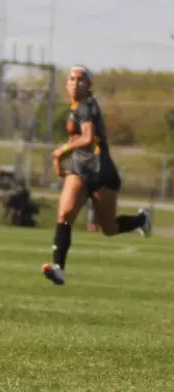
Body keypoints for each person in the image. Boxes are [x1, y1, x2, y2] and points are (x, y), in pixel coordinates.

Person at [44, 66, 151, 285]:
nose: (75, 83)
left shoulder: (88, 105)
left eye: (81, 80)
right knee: (64, 215)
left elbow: (88, 138)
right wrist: (61, 158)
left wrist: (59, 153)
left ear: (89, 85)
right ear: (66, 84)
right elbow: (79, 141)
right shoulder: (75, 108)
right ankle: (59, 268)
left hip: (101, 172)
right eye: (72, 79)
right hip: (79, 171)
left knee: (109, 228)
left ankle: (142, 219)